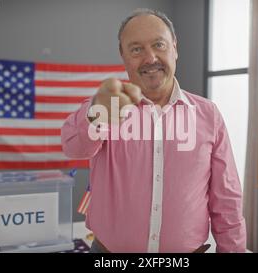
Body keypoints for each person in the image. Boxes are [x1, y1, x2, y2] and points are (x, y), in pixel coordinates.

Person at [61, 8, 246, 253]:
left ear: (174, 48)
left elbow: (227, 197)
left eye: (159, 45)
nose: (150, 58)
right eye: (136, 49)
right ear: (123, 55)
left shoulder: (208, 114)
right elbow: (74, 148)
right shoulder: (105, 105)